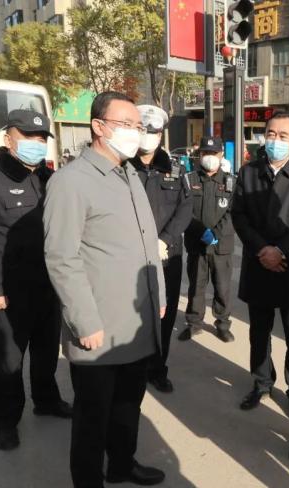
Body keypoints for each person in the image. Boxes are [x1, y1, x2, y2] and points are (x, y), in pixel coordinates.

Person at [43, 91, 167, 488]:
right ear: (98, 126)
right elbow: (61, 258)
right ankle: (88, 480)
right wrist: (84, 321)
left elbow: (147, 244)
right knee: (93, 416)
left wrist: (160, 296)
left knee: (128, 405)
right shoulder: (70, 182)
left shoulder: (129, 175)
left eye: (138, 126)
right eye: (126, 124)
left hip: (136, 322)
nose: (136, 133)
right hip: (98, 327)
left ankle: (121, 465)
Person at [0, 109, 72, 451]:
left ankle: (46, 400)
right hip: (9, 290)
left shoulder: (49, 178)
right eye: (28, 136)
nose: (36, 143)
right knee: (9, 360)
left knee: (46, 351)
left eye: (41, 138)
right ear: (8, 139)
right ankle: (5, 420)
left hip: (48, 285)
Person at [232, 111, 289, 421]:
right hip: (258, 264)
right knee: (259, 333)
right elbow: (239, 215)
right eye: (270, 134)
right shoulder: (248, 172)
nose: (275, 140)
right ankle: (261, 383)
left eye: (283, 136)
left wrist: (281, 250)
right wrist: (263, 250)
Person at [128, 104, 193, 393]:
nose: (148, 135)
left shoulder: (175, 169)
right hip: (131, 257)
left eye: (154, 131)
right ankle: (134, 368)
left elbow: (185, 208)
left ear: (161, 134)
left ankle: (157, 369)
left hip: (168, 255)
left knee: (164, 316)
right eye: (143, 129)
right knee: (134, 315)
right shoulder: (123, 166)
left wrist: (165, 239)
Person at [179, 136, 235, 343]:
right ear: (199, 154)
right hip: (196, 244)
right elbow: (183, 210)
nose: (209, 157)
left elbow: (233, 213)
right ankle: (194, 324)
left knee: (223, 288)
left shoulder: (231, 182)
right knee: (196, 286)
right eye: (205, 153)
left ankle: (222, 325)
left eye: (213, 153)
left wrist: (215, 234)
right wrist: (201, 231)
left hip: (221, 246)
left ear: (221, 155)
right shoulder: (189, 180)